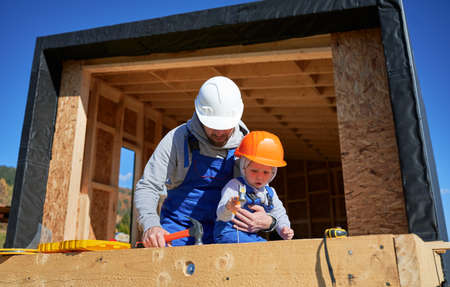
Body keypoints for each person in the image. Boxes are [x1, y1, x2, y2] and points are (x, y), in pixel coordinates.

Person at [134, 76, 275, 247]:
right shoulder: (177, 140)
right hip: (178, 231)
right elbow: (148, 186)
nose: (219, 132)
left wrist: (270, 221)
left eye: (225, 127)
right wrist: (151, 225)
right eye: (213, 126)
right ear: (200, 115)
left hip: (227, 233)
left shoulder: (247, 144)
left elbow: (262, 190)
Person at [214, 131, 294, 243]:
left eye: (265, 172)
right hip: (229, 233)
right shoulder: (235, 186)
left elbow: (279, 213)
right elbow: (221, 215)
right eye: (254, 171)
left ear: (273, 173)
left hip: (249, 236)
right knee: (259, 249)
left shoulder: (269, 193)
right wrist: (229, 208)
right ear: (243, 168)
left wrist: (284, 228)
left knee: (267, 248)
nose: (259, 177)